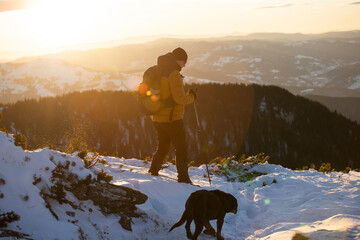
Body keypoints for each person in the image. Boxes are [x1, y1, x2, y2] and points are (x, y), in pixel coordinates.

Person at [148, 47, 196, 183]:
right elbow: (180, 99)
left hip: (157, 117)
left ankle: (153, 170)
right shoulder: (174, 74)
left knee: (163, 145)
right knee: (181, 148)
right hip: (172, 119)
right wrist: (192, 96)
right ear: (178, 60)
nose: (184, 64)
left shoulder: (161, 70)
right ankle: (183, 178)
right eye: (183, 61)